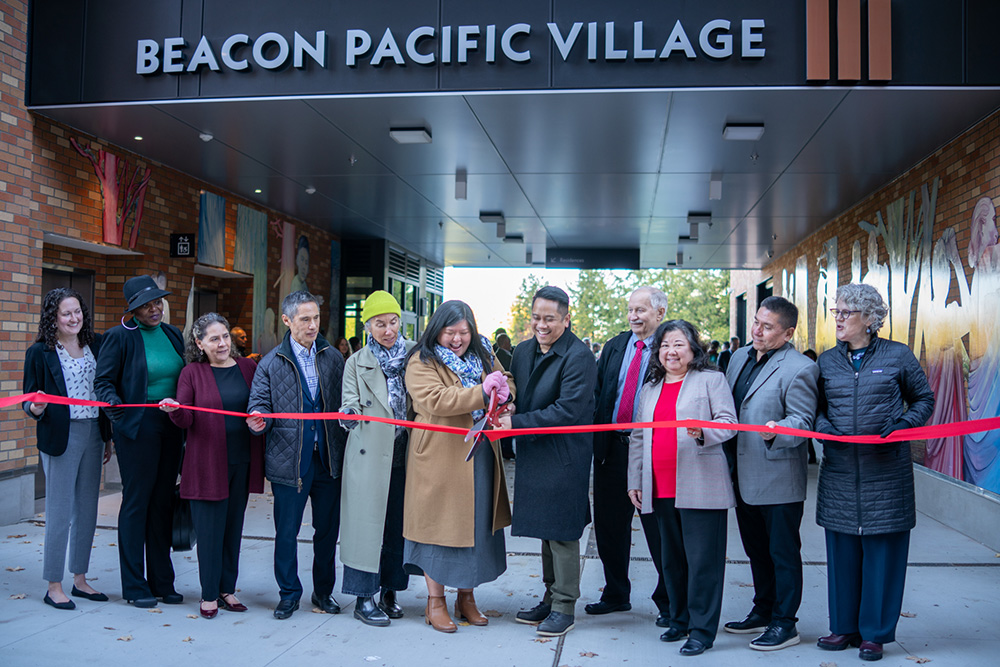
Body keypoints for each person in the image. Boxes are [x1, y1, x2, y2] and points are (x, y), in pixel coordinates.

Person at [814, 284, 934, 662]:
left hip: (887, 473)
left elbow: (924, 399)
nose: (838, 319)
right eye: (835, 312)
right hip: (840, 473)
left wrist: (901, 425)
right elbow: (815, 408)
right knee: (842, 554)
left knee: (882, 554)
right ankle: (844, 627)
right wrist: (825, 430)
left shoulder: (897, 356)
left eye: (845, 313)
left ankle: (875, 633)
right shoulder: (827, 361)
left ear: (869, 318)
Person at [626, 319, 738, 657]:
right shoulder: (650, 388)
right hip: (658, 485)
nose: (671, 351)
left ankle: (702, 631)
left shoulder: (711, 380)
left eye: (678, 344)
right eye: (665, 345)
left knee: (702, 562)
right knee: (670, 559)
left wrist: (703, 432)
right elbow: (638, 436)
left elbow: (728, 423)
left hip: (701, 484)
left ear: (693, 349)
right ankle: (679, 619)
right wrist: (635, 479)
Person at [402, 300, 513, 633]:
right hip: (438, 457)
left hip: (478, 454)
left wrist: (504, 395)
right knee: (437, 529)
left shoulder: (483, 354)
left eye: (463, 332)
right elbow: (435, 399)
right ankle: (434, 603)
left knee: (476, 527)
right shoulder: (421, 361)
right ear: (437, 330)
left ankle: (467, 598)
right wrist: (483, 392)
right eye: (450, 332)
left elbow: (503, 381)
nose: (457, 339)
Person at [722, 297, 819, 651]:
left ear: (788, 332)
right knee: (756, 551)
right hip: (741, 476)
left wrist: (778, 429)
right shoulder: (738, 358)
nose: (757, 331)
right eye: (756, 322)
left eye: (767, 327)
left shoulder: (800, 368)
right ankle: (762, 610)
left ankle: (785, 623)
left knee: (783, 554)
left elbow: (803, 421)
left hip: (777, 477)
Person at [500, 286, 597, 638]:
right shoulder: (523, 351)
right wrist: (510, 407)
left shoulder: (579, 356)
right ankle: (550, 595)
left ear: (566, 319)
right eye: (537, 318)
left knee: (563, 533)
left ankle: (564, 605)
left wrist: (517, 422)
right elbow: (520, 397)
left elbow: (568, 410)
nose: (541, 325)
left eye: (550, 319)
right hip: (534, 453)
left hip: (564, 455)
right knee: (544, 529)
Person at [246, 290, 347, 620]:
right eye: (305, 319)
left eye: (316, 317)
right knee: (286, 532)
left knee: (326, 533)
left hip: (328, 460)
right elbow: (258, 405)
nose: (313, 324)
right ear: (287, 321)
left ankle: (323, 593)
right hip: (289, 462)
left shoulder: (333, 358)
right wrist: (259, 420)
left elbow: (347, 401)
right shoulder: (270, 363)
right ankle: (289, 594)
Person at [158, 313, 264, 619]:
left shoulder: (248, 367)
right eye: (214, 338)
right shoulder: (192, 373)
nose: (222, 343)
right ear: (199, 343)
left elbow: (259, 404)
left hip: (241, 460)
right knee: (209, 531)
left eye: (226, 336)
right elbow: (186, 418)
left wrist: (259, 418)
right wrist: (174, 412)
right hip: (206, 464)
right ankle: (208, 594)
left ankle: (226, 589)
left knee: (233, 529)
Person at [95, 275, 185, 608]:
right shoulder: (119, 337)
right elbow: (103, 383)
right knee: (137, 503)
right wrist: (117, 413)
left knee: (163, 501)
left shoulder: (172, 334)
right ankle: (134, 585)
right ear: (133, 309)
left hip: (171, 425)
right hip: (137, 427)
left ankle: (162, 581)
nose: (154, 308)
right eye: (146, 304)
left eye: (157, 302)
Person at [23, 288, 114, 610]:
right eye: (66, 313)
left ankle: (80, 579)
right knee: (60, 512)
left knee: (88, 509)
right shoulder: (40, 352)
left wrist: (107, 438)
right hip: (61, 436)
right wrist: (35, 408)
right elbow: (28, 401)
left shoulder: (96, 344)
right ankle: (53, 584)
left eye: (78, 312)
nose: (74, 318)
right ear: (53, 317)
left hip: (93, 433)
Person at [587, 287, 670, 627]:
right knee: (609, 526)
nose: (634, 316)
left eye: (641, 310)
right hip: (613, 449)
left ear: (660, 314)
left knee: (659, 528)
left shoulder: (671, 346)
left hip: (652, 452)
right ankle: (616, 593)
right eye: (630, 309)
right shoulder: (616, 345)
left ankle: (669, 600)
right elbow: (600, 392)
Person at [338, 291, 414, 627]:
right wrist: (349, 414)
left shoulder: (416, 356)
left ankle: (390, 591)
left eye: (393, 321)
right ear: (368, 326)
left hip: (405, 454)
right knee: (365, 528)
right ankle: (362, 598)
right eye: (380, 323)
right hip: (369, 454)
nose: (388, 329)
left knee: (397, 526)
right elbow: (349, 402)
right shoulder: (356, 362)